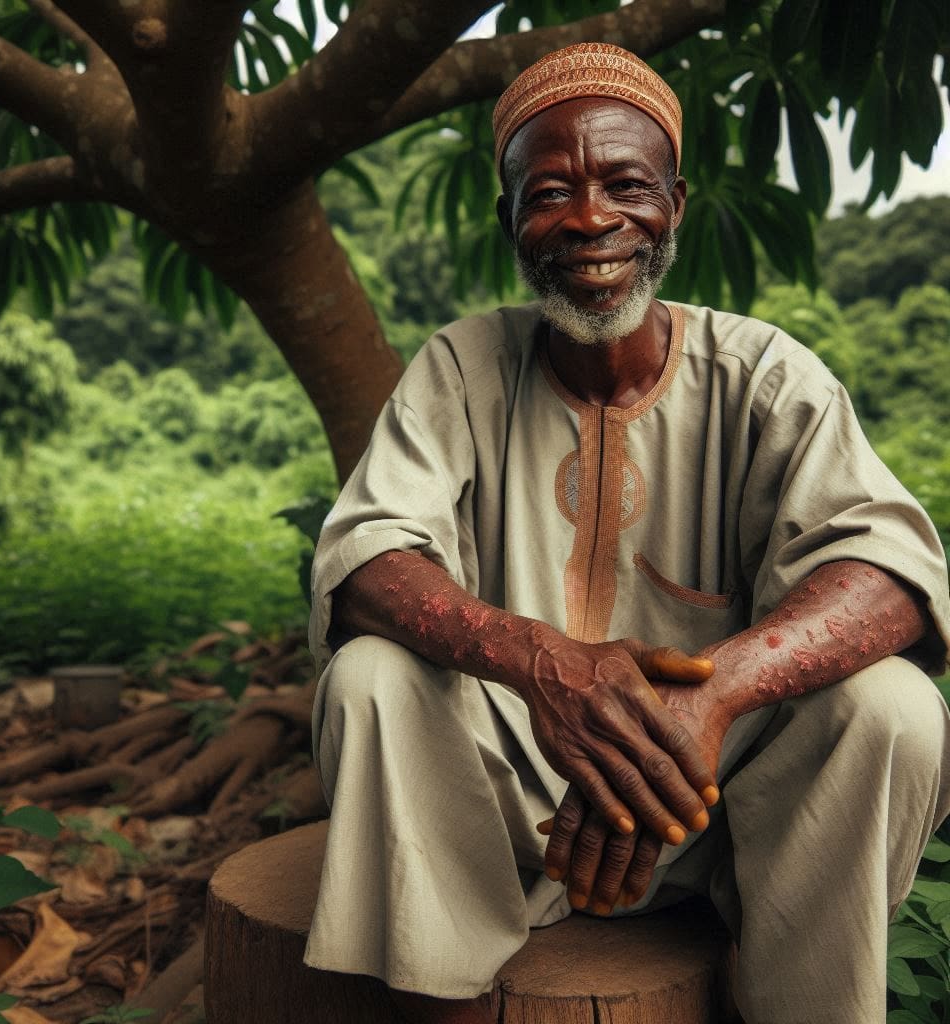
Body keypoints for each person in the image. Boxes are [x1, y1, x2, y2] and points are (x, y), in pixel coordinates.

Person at [302, 42, 950, 1024]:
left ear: (676, 203)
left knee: (893, 707)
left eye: (624, 185)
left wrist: (712, 699)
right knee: (369, 680)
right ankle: (442, 996)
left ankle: (796, 995)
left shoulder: (766, 375)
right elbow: (364, 565)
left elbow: (891, 576)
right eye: (550, 191)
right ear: (509, 219)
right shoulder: (460, 366)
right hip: (508, 819)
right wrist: (548, 666)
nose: (591, 219)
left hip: (723, 816)